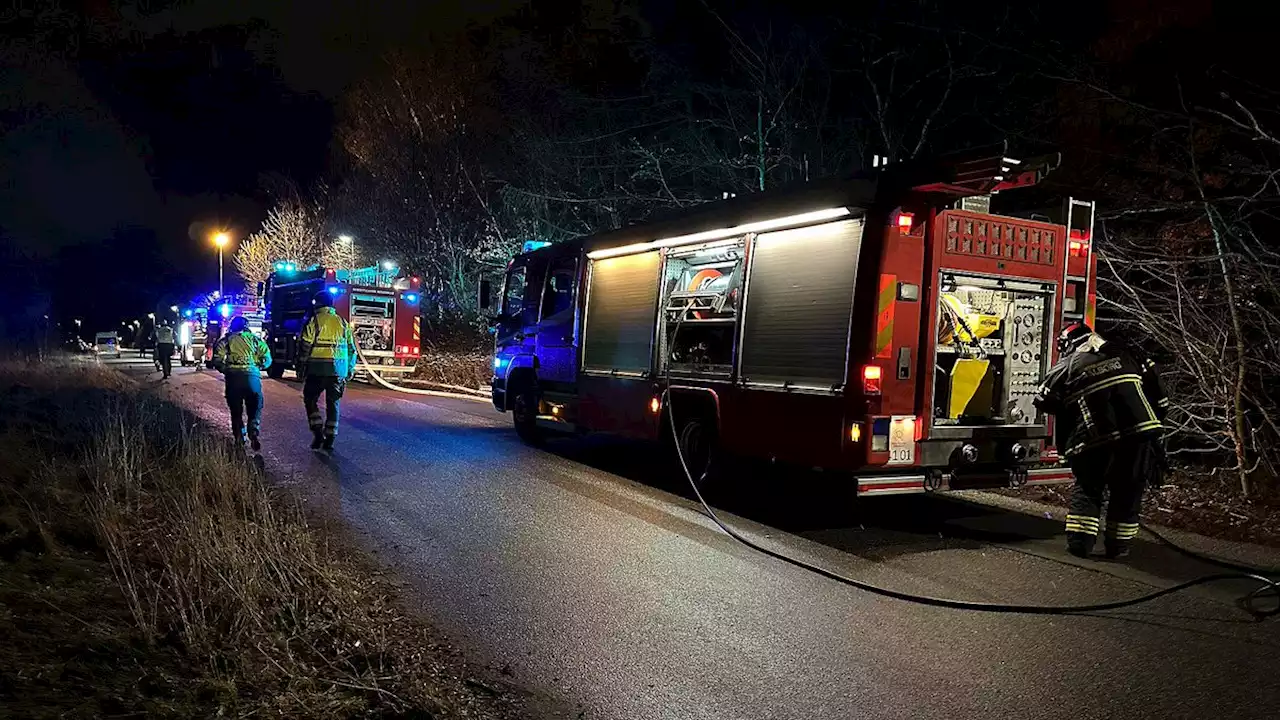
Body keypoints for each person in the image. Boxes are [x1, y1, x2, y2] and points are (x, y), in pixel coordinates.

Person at [1034, 323, 1168, 559]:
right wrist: (1155, 420)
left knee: (1089, 488)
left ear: (1068, 344)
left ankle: (1080, 544)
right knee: (1128, 490)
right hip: (1139, 434)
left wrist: (1070, 405)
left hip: (1096, 439)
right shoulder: (1127, 354)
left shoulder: (1066, 366)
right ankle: (1119, 548)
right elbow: (1158, 391)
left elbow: (1043, 400)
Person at [298, 290, 357, 451]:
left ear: (316, 304)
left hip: (316, 370)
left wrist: (301, 367)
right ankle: (330, 437)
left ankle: (317, 433)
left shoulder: (314, 321)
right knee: (333, 403)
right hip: (338, 371)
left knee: (310, 400)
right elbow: (352, 349)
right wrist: (350, 368)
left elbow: (305, 347)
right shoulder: (343, 323)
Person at [212, 316, 272, 450]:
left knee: (236, 411)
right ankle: (253, 430)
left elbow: (217, 359)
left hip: (233, 379)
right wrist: (258, 367)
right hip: (252, 378)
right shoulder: (256, 340)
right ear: (247, 326)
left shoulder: (226, 340)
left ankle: (240, 437)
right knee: (255, 405)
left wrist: (225, 369)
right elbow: (267, 359)